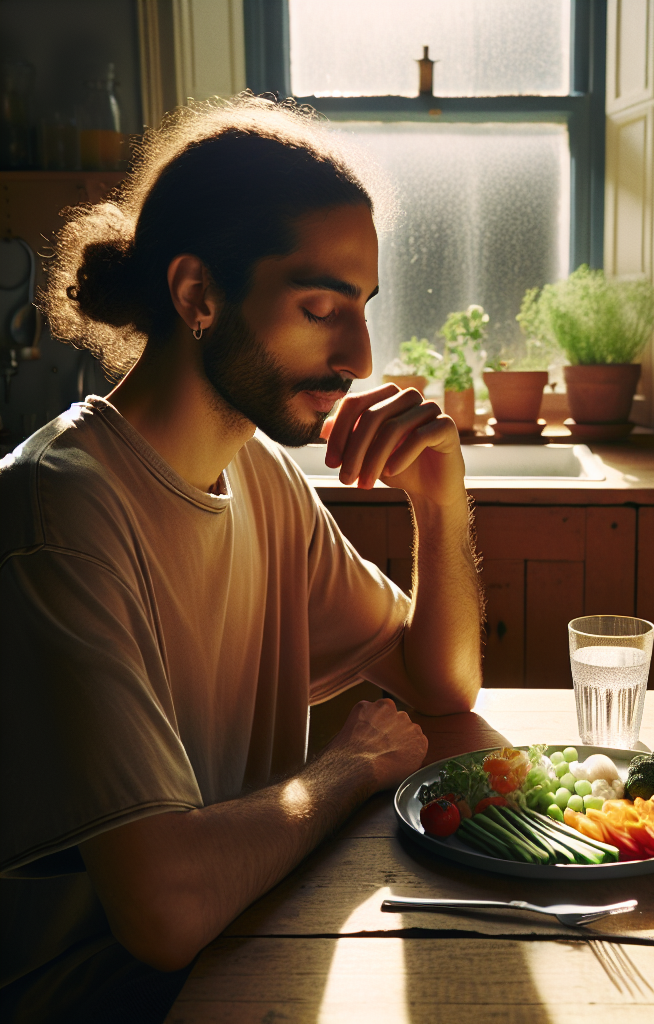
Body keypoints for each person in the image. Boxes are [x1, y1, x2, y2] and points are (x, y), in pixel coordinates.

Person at [0, 94, 482, 1023]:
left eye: (364, 309)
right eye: (318, 307)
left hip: (245, 956)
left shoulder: (259, 475)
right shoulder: (56, 511)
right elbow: (164, 913)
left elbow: (440, 684)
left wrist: (440, 498)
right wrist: (349, 766)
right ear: (198, 296)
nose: (360, 353)